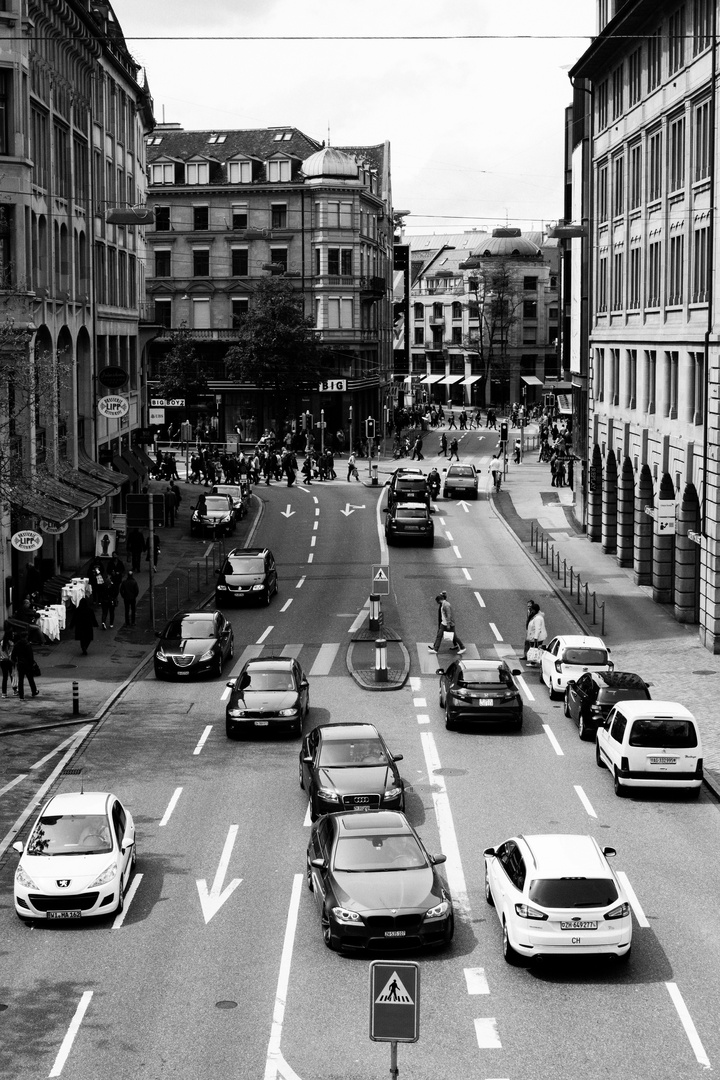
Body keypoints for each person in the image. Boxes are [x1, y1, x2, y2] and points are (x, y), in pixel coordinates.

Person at [11, 632, 38, 699]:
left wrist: (15, 661)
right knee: (30, 679)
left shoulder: (17, 644)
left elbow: (13, 655)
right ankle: (34, 691)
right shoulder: (27, 644)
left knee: (20, 680)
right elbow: (30, 656)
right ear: (26, 636)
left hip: (20, 663)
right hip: (28, 664)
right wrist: (32, 663)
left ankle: (21, 695)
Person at [1, 630, 14, 698]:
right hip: (8, 660)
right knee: (12, 675)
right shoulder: (11, 643)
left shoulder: (1, 642)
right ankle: (15, 690)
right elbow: (11, 654)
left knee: (5, 677)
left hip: (2, 661)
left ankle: (4, 693)